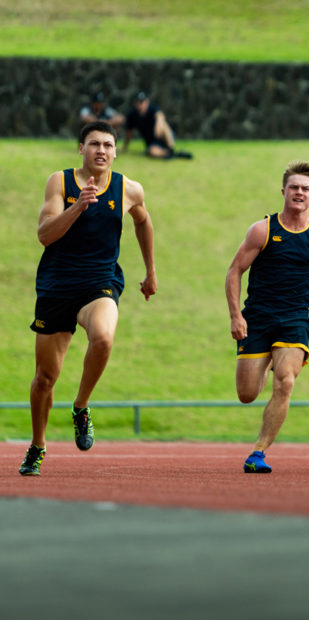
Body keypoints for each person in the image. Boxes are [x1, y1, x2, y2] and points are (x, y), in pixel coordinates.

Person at [19, 120, 158, 476]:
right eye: (94, 143)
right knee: (45, 379)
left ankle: (81, 407)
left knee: (104, 337)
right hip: (56, 286)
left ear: (115, 151)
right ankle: (38, 445)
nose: (102, 150)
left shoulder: (129, 188)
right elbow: (44, 236)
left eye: (108, 145)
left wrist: (150, 272)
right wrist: (77, 207)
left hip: (100, 283)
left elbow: (143, 222)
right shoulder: (60, 182)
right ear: (81, 149)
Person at [226, 160, 309, 473]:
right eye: (294, 188)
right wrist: (236, 316)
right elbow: (235, 271)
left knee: (285, 382)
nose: (299, 193)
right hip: (257, 318)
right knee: (247, 394)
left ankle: (258, 453)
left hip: (294, 319)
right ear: (283, 191)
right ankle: (269, 359)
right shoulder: (262, 230)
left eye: (305, 189)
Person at [124, 91, 192, 160]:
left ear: (147, 102)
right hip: (151, 142)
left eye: (141, 102)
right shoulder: (132, 115)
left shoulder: (152, 109)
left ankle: (171, 148)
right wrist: (125, 147)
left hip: (163, 137)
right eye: (137, 102)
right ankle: (170, 154)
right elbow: (129, 132)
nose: (140, 104)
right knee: (152, 152)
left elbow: (160, 115)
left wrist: (158, 125)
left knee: (164, 125)